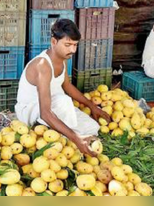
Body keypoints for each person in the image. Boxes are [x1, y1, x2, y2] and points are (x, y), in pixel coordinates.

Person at [15, 19, 111, 156]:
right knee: (64, 102)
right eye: (67, 45)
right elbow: (45, 112)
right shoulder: (43, 65)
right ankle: (58, 135)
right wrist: (76, 138)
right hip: (33, 111)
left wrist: (91, 105)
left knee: (93, 127)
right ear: (54, 42)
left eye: (75, 45)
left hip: (56, 106)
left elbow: (67, 85)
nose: (72, 50)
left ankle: (66, 135)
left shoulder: (62, 60)